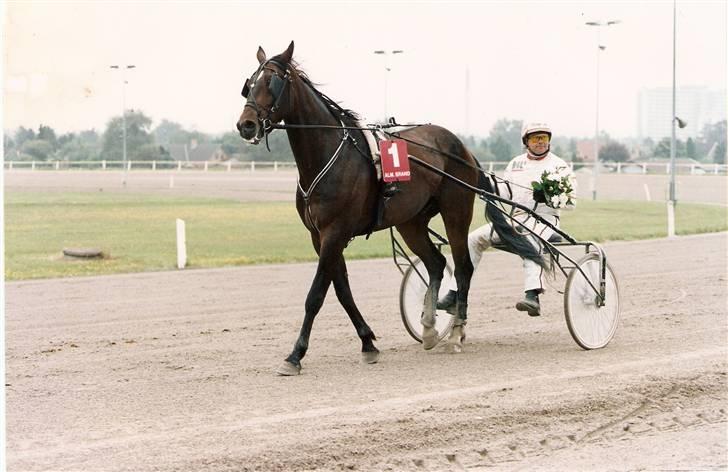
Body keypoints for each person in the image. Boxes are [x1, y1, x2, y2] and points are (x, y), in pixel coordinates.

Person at [437, 122, 576, 316]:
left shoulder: (559, 165)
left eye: (544, 138)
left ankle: (532, 296)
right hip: (517, 219)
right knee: (473, 239)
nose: (540, 142)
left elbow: (571, 203)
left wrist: (550, 198)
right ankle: (455, 293)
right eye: (536, 138)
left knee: (530, 241)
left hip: (546, 220)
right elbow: (505, 193)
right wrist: (486, 187)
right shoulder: (515, 164)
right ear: (526, 141)